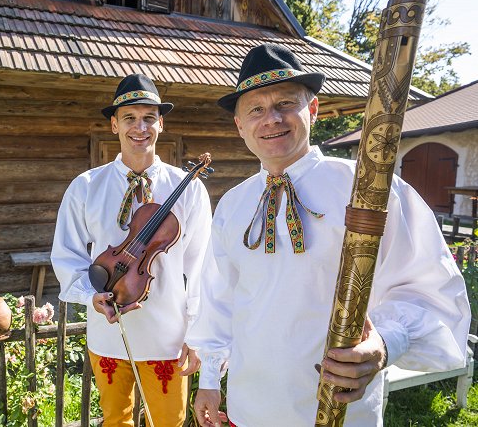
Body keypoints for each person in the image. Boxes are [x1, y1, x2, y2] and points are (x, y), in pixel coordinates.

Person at [188, 44, 471, 426]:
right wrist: (209, 380)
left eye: (286, 103)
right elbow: (219, 300)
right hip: (249, 407)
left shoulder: (369, 187)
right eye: (255, 109)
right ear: (239, 126)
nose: (271, 119)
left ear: (314, 109)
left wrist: (387, 343)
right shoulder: (233, 204)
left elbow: (431, 293)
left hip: (340, 412)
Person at [51, 73, 212, 426]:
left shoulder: (189, 189)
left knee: (169, 421)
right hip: (108, 332)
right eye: (129, 118)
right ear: (114, 124)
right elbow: (67, 255)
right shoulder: (86, 186)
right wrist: (87, 295)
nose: (140, 127)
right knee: (115, 421)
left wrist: (198, 333)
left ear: (160, 123)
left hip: (166, 335)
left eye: (148, 118)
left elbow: (202, 268)